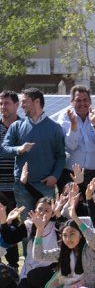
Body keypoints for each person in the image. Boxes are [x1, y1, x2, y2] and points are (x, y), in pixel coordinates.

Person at [20, 192, 95, 288]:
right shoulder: (62, 252)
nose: (68, 239)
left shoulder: (91, 248)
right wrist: (40, 230)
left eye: (72, 234)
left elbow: (92, 239)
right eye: (65, 235)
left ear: (81, 235)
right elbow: (38, 255)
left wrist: (75, 218)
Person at [0, 88, 66, 217]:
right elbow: (3, 149)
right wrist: (19, 149)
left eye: (25, 102)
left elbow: (61, 156)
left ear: (37, 102)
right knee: (27, 224)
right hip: (22, 186)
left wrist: (55, 176)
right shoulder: (16, 126)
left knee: (46, 223)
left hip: (45, 186)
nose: (22, 105)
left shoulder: (54, 128)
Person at [0, 197, 65, 288]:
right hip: (31, 268)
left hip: (51, 270)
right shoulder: (29, 225)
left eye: (47, 210)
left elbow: (68, 228)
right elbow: (9, 239)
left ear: (52, 214)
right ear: (35, 210)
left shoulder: (57, 226)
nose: (42, 213)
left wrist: (59, 214)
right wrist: (5, 221)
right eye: (40, 209)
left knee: (34, 276)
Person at [56, 86, 95, 193]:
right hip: (71, 173)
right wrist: (73, 126)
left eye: (85, 100)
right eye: (78, 100)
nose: (82, 103)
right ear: (72, 102)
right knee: (73, 203)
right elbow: (71, 146)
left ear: (90, 101)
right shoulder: (65, 117)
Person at [0, 91, 19, 269]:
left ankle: (13, 267)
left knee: (13, 226)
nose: (3, 107)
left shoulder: (24, 127)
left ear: (16, 105)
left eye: (6, 103)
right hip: (0, 187)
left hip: (18, 187)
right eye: (1, 104)